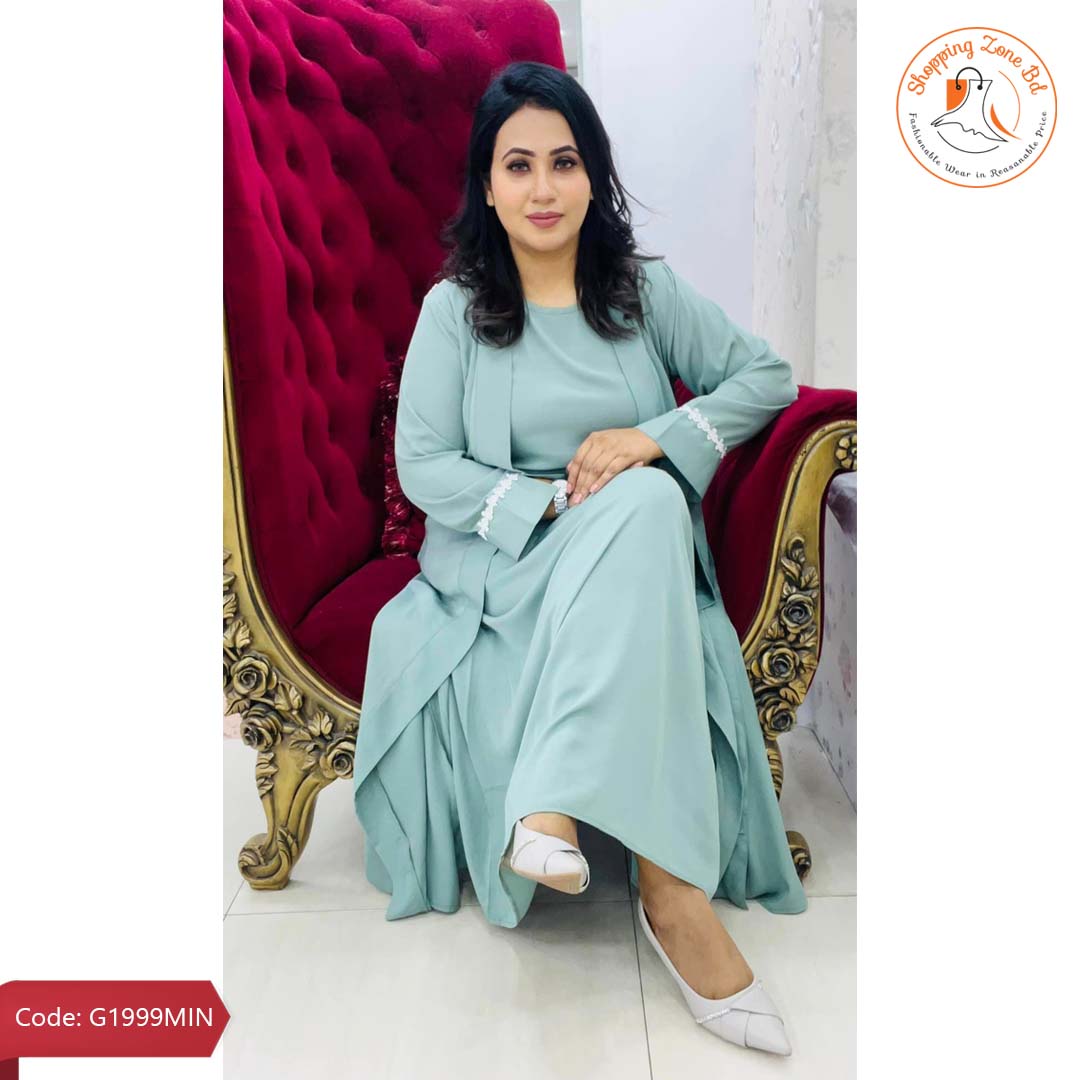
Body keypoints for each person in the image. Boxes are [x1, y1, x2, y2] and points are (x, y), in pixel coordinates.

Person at [353, 61, 806, 1056]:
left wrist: (656, 437)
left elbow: (766, 376)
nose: (544, 188)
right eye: (518, 166)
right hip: (505, 559)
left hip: (632, 547)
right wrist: (549, 501)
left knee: (644, 497)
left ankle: (581, 827)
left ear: (594, 174)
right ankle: (672, 894)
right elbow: (424, 463)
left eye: (564, 161)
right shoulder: (454, 310)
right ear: (486, 185)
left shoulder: (643, 291)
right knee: (640, 504)